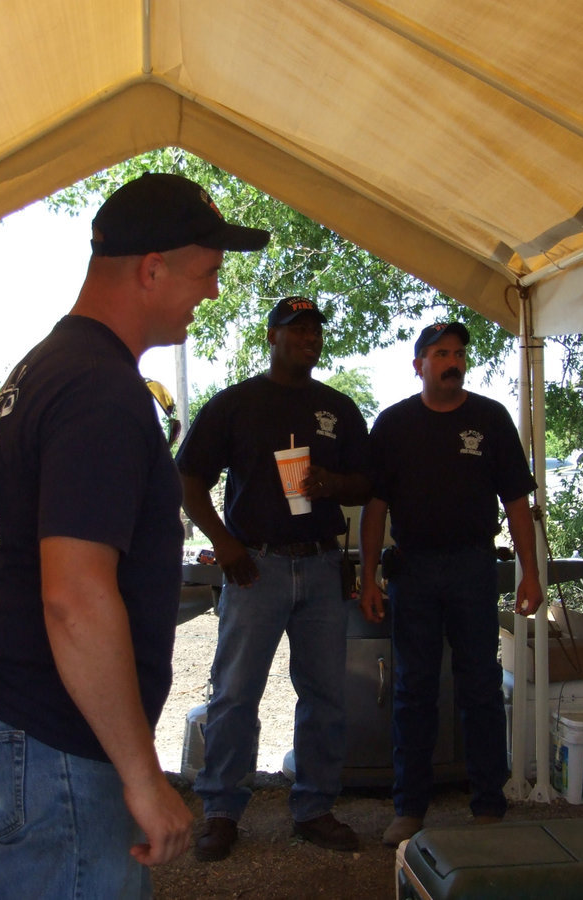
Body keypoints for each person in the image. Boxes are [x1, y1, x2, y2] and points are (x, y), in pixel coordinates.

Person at [0, 172, 270, 898]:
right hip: (56, 740)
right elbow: (73, 597)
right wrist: (143, 775)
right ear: (151, 269)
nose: (213, 292)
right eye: (207, 271)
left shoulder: (49, 368)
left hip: (27, 722)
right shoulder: (98, 390)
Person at [176, 296, 370, 861]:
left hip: (322, 565)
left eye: (315, 330)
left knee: (325, 694)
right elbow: (188, 478)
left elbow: (368, 482)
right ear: (272, 337)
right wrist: (224, 542)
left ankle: (314, 808)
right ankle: (221, 810)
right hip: (253, 568)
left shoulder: (338, 408)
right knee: (236, 693)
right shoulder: (236, 403)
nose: (309, 338)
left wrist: (332, 484)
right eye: (297, 329)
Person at [358, 321, 543, 848]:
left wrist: (530, 573)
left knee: (481, 685)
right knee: (413, 690)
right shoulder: (393, 423)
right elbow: (375, 507)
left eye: (458, 353)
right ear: (418, 365)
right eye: (440, 353)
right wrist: (368, 577)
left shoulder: (490, 418)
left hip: (473, 567)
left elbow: (517, 502)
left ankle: (488, 804)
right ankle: (409, 808)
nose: (452, 362)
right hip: (412, 570)